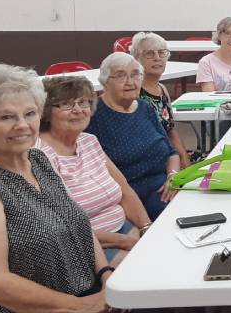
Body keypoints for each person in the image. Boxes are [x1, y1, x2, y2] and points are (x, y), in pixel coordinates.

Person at [0, 64, 108, 311]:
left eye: (30, 113)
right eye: (7, 117)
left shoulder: (38, 159)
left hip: (83, 296)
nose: (22, 124)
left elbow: (78, 226)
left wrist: (107, 275)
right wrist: (79, 306)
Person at [38, 75, 154, 266]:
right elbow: (63, 226)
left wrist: (146, 227)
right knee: (144, 270)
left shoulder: (88, 140)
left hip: (124, 229)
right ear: (47, 112)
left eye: (83, 102)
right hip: (83, 247)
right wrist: (125, 242)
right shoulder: (41, 155)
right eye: (66, 104)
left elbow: (124, 190)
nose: (77, 110)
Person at [86, 52, 179, 220]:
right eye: (120, 76)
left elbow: (171, 152)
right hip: (129, 194)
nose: (130, 82)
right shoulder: (93, 115)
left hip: (165, 185)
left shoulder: (144, 107)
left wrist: (173, 176)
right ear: (105, 82)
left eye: (135, 75)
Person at [131, 31, 190, 168]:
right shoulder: (134, 92)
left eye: (162, 53)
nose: (157, 58)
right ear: (136, 58)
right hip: (149, 161)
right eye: (149, 54)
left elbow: (171, 130)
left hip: (169, 154)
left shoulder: (162, 89)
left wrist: (184, 158)